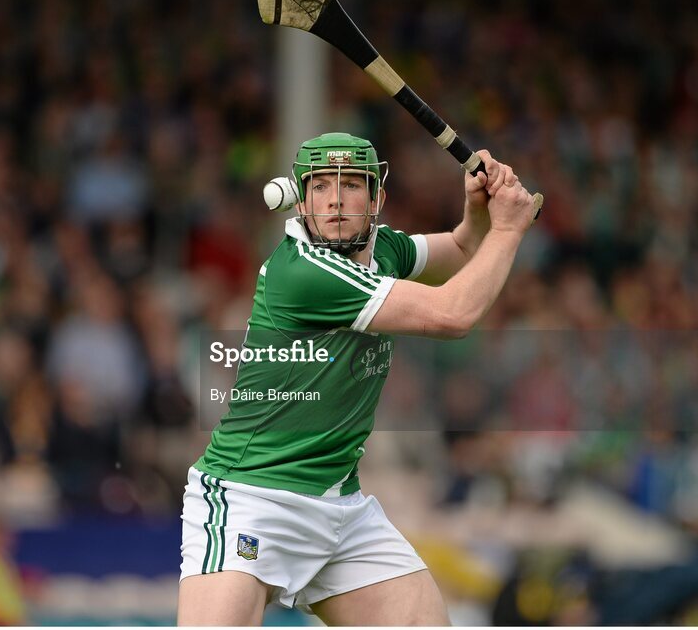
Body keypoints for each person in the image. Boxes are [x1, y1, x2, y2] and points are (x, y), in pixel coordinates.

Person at [177, 132, 538, 625]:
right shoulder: (304, 272)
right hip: (251, 498)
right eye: (321, 186)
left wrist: (479, 212)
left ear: (377, 199)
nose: (335, 200)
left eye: (350, 186)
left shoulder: (381, 249)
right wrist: (509, 230)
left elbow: (460, 246)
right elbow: (454, 314)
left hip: (340, 509)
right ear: (300, 199)